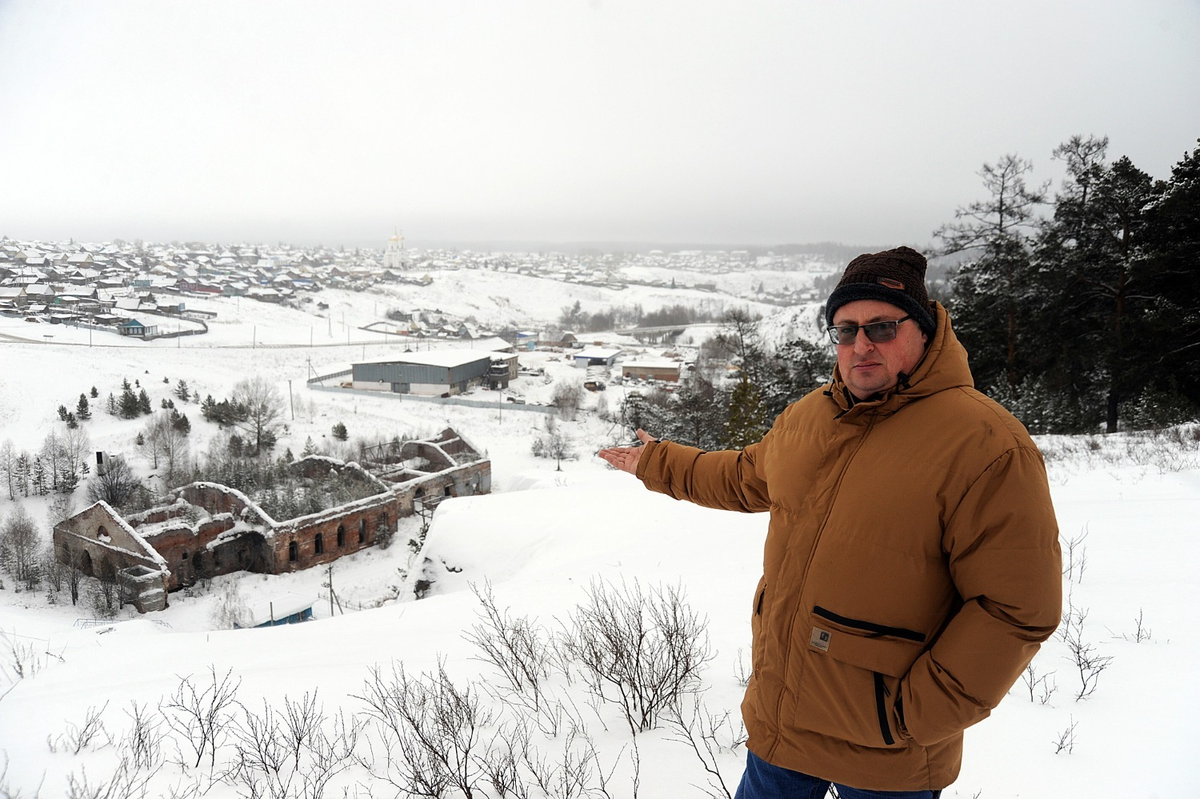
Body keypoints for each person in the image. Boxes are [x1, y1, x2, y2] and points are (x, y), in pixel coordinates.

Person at [598, 246, 1061, 798]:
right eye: (845, 330)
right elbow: (747, 476)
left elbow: (1016, 608)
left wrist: (915, 717)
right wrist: (658, 462)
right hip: (784, 722)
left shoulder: (985, 444)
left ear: (925, 330)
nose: (861, 344)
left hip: (887, 752)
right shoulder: (810, 417)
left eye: (882, 327)